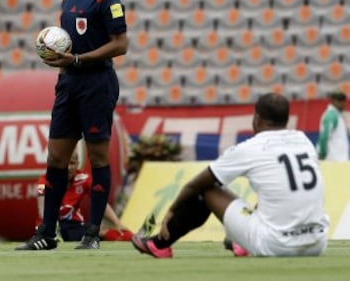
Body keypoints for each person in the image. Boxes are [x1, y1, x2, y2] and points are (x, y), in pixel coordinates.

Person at [16, 0, 128, 250]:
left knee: (97, 157)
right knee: (55, 157)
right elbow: (67, 44)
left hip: (97, 85)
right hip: (69, 86)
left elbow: (120, 45)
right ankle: (47, 234)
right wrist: (63, 69)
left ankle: (92, 234)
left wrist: (78, 60)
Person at [131, 93, 330, 258]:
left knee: (207, 189)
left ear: (257, 119)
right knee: (274, 190)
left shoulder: (250, 148)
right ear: (286, 120)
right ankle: (240, 242)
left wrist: (171, 211)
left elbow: (195, 185)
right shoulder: (303, 140)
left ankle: (160, 244)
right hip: (316, 242)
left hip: (276, 245)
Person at [36, 150, 133, 242]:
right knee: (44, 230)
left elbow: (100, 203)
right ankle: (50, 236)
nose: (69, 168)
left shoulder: (84, 179)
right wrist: (51, 227)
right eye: (66, 163)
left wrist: (118, 223)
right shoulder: (44, 180)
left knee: (102, 232)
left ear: (78, 164)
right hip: (51, 222)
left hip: (73, 225)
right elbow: (42, 209)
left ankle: (132, 238)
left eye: (72, 163)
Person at [317, 89, 350, 161]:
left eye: (344, 100)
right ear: (333, 101)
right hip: (334, 161)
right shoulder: (331, 115)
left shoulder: (338, 115)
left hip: (339, 161)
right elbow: (324, 137)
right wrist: (322, 155)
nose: (343, 103)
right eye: (340, 101)